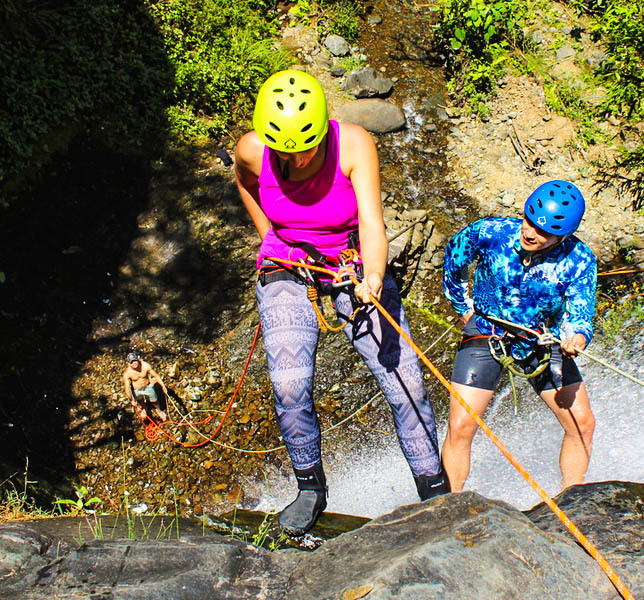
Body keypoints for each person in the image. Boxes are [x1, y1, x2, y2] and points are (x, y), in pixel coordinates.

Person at [234, 69, 448, 536]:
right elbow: (246, 184)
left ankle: (434, 489)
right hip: (287, 268)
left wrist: (372, 276)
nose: (297, 156)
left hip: (352, 264)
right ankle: (311, 488)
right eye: (286, 150)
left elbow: (373, 222)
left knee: (403, 377)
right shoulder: (252, 149)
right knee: (290, 382)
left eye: (305, 147)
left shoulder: (352, 143)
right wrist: (269, 238)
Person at [441, 180, 597, 493]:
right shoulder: (490, 232)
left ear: (562, 236)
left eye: (543, 233)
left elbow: (579, 311)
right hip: (486, 330)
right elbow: (455, 256)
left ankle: (572, 498)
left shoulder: (579, 260)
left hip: (540, 338)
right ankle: (449, 504)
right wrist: (462, 306)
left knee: (582, 424)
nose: (530, 233)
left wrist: (576, 336)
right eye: (529, 221)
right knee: (460, 426)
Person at [123, 352, 169, 423]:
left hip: (147, 387)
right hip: (136, 390)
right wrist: (131, 400)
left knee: (155, 400)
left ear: (138, 359)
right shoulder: (127, 373)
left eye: (135, 360)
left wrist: (163, 386)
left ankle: (159, 411)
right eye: (132, 362)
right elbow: (127, 388)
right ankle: (145, 408)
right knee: (140, 400)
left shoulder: (145, 366)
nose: (134, 363)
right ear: (129, 364)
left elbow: (156, 376)